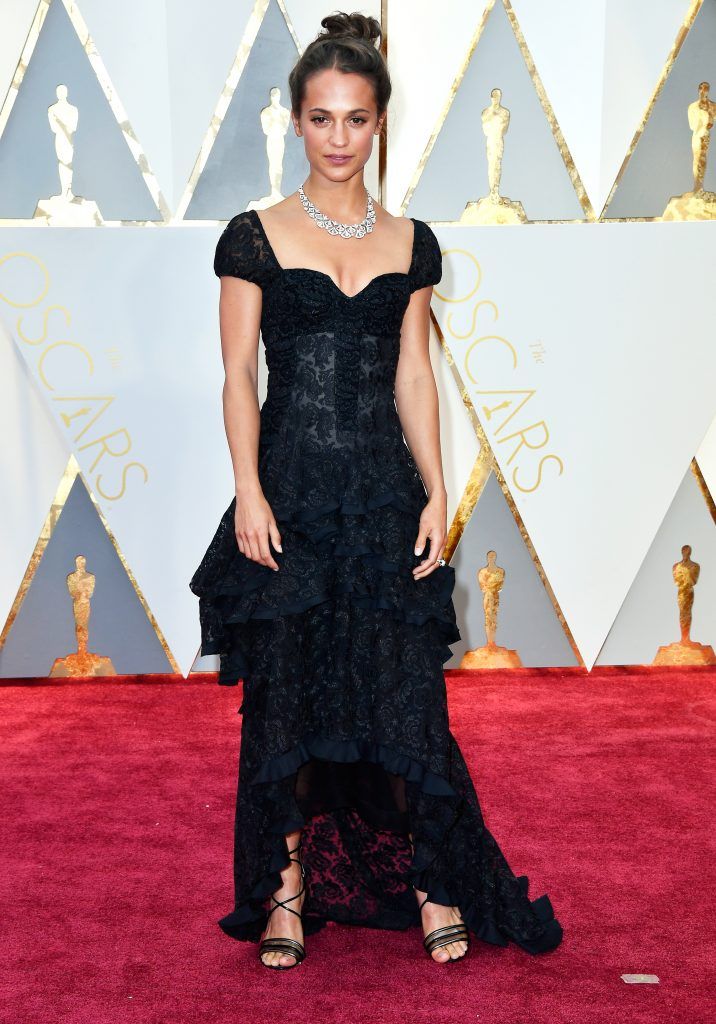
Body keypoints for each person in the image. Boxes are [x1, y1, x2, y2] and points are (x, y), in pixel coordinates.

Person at [189, 11, 563, 970]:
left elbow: (414, 378)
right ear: (296, 122)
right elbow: (238, 375)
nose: (340, 138)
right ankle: (285, 895)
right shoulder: (255, 236)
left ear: (382, 123)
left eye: (357, 119)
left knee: (405, 697)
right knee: (286, 698)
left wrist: (439, 491)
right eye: (322, 118)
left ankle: (436, 881)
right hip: (292, 498)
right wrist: (247, 492)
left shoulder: (412, 242)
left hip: (385, 498)